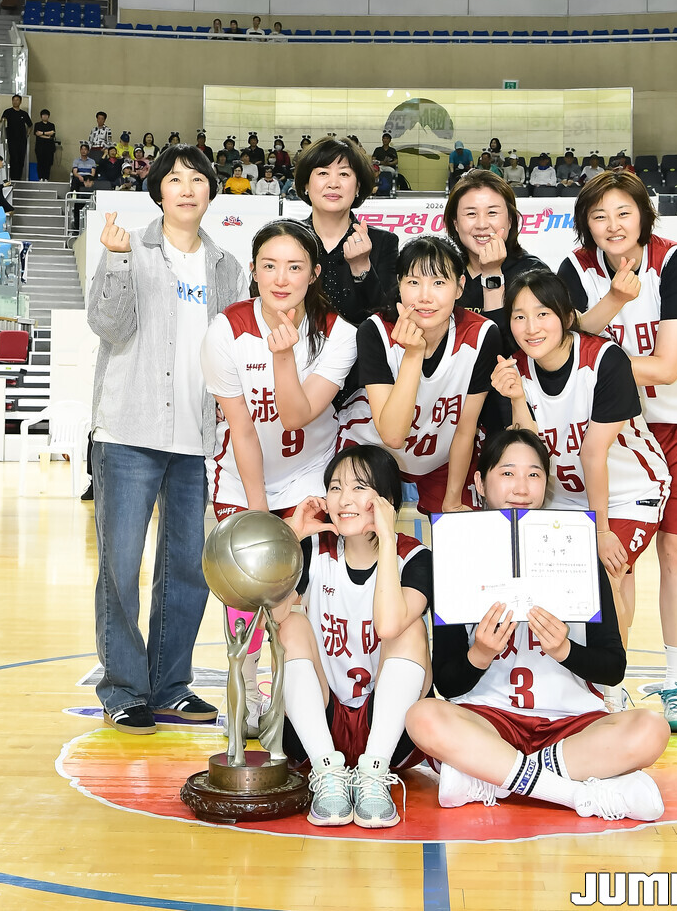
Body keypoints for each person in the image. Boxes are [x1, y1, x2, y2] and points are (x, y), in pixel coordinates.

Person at [405, 428, 670, 820]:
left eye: (534, 474)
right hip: (488, 719)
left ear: (546, 484)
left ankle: (491, 777)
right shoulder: (457, 554)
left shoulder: (579, 549)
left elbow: (613, 667)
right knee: (423, 717)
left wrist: (565, 650)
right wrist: (480, 654)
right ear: (480, 482)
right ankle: (576, 792)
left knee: (652, 728)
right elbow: (448, 682)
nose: (521, 487)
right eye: (507, 473)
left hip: (572, 725)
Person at [87, 144, 248, 734]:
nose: (186, 187)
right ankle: (124, 688)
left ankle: (170, 685)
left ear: (211, 192)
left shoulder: (227, 267)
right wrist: (116, 262)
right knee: (121, 566)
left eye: (197, 179)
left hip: (196, 440)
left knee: (186, 569)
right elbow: (107, 326)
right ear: (158, 191)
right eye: (174, 179)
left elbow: (234, 350)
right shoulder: (129, 247)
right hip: (128, 431)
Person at [558, 171, 677, 734]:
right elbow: (565, 338)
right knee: (617, 559)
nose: (612, 225)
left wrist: (595, 359)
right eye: (599, 215)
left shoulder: (674, 262)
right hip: (622, 426)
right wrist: (611, 302)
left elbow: (669, 366)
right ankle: (612, 683)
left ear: (644, 216)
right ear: (586, 224)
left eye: (623, 212)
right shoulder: (576, 268)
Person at [200, 221, 357, 732]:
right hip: (242, 478)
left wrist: (284, 355)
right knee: (244, 595)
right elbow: (242, 431)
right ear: (253, 270)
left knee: (298, 601)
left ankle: (297, 706)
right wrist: (261, 517)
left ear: (314, 273)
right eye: (269, 266)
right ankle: (243, 697)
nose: (281, 278)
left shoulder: (338, 333)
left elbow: (296, 415)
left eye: (294, 267)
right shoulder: (226, 330)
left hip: (309, 475)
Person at [492, 271, 670, 708]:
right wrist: (516, 399)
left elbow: (593, 454)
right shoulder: (513, 370)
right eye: (519, 316)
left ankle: (611, 690)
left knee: (607, 574)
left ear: (567, 316)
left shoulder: (605, 360)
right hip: (563, 497)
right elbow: (529, 453)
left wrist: (601, 529)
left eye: (543, 314)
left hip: (629, 491)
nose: (531, 327)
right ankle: (570, 684)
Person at [277, 446, 432, 828]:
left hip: (392, 732)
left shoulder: (415, 557)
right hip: (320, 725)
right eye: (335, 487)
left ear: (387, 500)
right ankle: (327, 772)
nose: (344, 499)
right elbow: (275, 617)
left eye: (359, 487)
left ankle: (374, 774)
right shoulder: (315, 548)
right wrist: (291, 539)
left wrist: (388, 541)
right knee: (291, 625)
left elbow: (388, 626)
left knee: (409, 628)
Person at [338, 236, 502, 514]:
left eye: (439, 283)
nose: (425, 296)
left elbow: (465, 428)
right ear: (399, 284)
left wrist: (452, 500)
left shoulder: (482, 334)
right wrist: (413, 354)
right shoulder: (375, 331)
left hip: (441, 457)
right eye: (413, 282)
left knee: (460, 523)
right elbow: (392, 435)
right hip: (371, 450)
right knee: (360, 523)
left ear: (460, 287)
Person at [294, 135, 398, 327]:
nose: (333, 183)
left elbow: (388, 319)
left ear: (358, 187)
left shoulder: (383, 242)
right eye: (323, 173)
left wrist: (362, 268)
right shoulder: (288, 240)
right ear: (306, 184)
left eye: (344, 174)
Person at [444, 170, 549, 317]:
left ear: (510, 220)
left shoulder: (533, 273)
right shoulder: (443, 270)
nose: (482, 225)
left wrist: (492, 273)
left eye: (492, 213)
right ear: (455, 223)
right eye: (471, 214)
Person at [0, 93, 32, 179]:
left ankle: (19, 178)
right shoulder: (8, 111)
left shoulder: (24, 114)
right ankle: (13, 178)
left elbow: (30, 125)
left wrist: (27, 134)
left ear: (20, 102)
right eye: (14, 100)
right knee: (14, 158)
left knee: (21, 159)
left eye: (17, 100)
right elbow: (2, 121)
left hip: (22, 140)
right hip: (12, 139)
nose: (15, 102)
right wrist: (3, 120)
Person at [33, 109, 56, 182]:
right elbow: (37, 134)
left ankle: (46, 178)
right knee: (40, 162)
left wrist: (42, 133)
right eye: (43, 115)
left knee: (48, 163)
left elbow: (52, 135)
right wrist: (47, 134)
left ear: (48, 116)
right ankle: (40, 177)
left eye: (46, 115)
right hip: (39, 147)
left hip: (49, 147)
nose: (45, 116)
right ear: (41, 116)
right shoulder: (37, 124)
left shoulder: (51, 125)